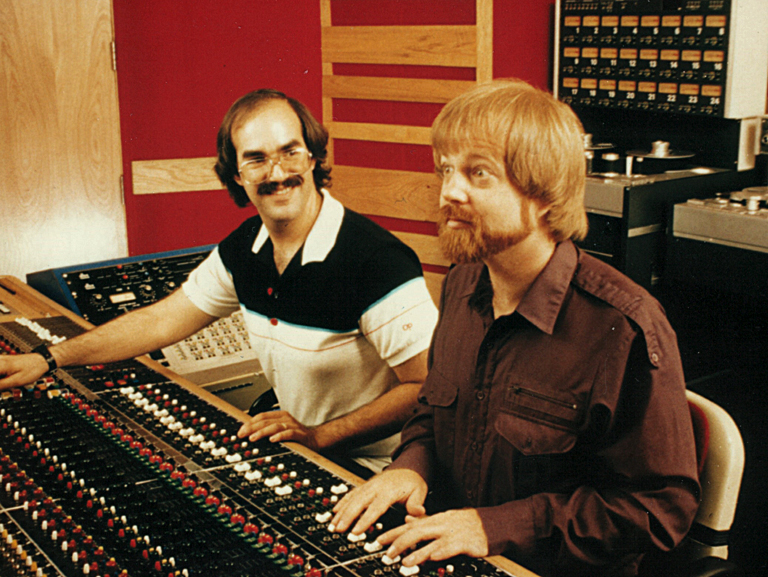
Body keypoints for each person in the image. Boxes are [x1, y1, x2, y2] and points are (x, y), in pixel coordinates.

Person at [330, 79, 700, 576]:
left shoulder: (625, 326)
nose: (448, 191)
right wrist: (410, 465)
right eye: (446, 170)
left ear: (545, 194)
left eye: (478, 173)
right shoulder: (462, 285)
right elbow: (432, 413)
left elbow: (661, 511)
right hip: (455, 556)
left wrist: (498, 526)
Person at [0, 89, 438, 474]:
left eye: (290, 152)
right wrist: (50, 359)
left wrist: (322, 435)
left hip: (379, 468)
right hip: (305, 449)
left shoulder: (378, 260)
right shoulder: (243, 249)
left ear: (314, 157)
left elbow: (427, 389)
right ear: (236, 174)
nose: (277, 172)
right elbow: (159, 323)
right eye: (256, 158)